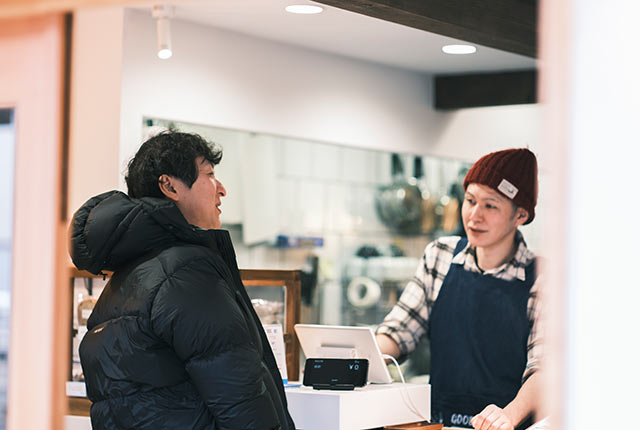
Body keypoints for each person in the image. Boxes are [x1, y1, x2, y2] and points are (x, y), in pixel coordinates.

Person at [70, 131, 295, 430]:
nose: (222, 189)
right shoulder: (187, 272)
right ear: (170, 186)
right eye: (210, 174)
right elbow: (239, 396)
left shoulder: (127, 276)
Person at [376, 148, 542, 430]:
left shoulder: (542, 276)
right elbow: (400, 331)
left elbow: (545, 367)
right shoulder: (439, 255)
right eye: (470, 201)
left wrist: (507, 416)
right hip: (439, 422)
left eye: (490, 206)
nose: (474, 216)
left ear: (520, 216)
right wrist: (360, 356)